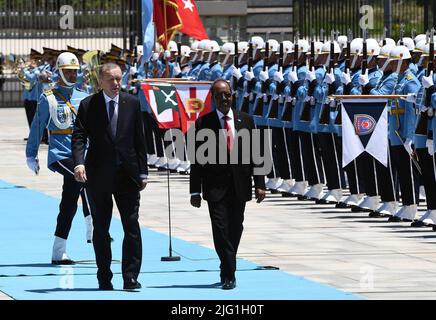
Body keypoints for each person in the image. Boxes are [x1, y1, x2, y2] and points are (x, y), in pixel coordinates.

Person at [72, 63, 148, 291]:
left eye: (119, 79)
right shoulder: (88, 105)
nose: (116, 83)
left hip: (128, 175)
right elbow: (78, 136)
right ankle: (104, 275)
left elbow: (139, 139)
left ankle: (131, 276)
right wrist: (79, 162)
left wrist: (143, 171)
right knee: (102, 228)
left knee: (131, 226)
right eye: (111, 80)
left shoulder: (132, 103)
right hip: (99, 176)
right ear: (100, 82)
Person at [189, 79, 266, 290]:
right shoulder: (203, 123)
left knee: (236, 227)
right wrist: (194, 190)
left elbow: (257, 153)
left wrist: (260, 183)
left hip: (240, 184)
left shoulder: (246, 120)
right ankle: (229, 272)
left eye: (227, 95)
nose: (224, 99)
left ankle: (226, 265)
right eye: (219, 96)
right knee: (220, 229)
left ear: (233, 96)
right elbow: (196, 160)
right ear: (212, 99)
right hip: (214, 186)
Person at [25, 52, 92, 265]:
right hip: (60, 154)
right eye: (68, 72)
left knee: (69, 202)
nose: (72, 75)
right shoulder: (49, 98)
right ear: (59, 72)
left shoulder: (84, 96)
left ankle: (58, 250)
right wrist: (31, 153)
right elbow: (37, 127)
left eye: (74, 72)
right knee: (83, 179)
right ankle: (93, 224)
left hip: (81, 154)